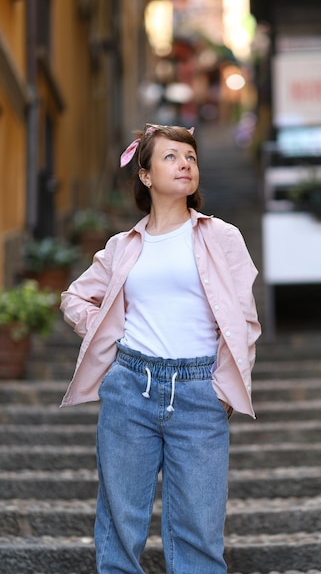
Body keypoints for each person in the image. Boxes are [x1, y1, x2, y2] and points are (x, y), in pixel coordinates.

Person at [60, 123, 261, 574]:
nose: (184, 164)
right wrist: (108, 335)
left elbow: (245, 319)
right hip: (131, 385)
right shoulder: (122, 247)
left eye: (190, 157)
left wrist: (225, 387)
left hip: (198, 389)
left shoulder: (221, 237)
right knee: (120, 523)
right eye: (170, 157)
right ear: (145, 176)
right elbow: (75, 297)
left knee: (200, 528)